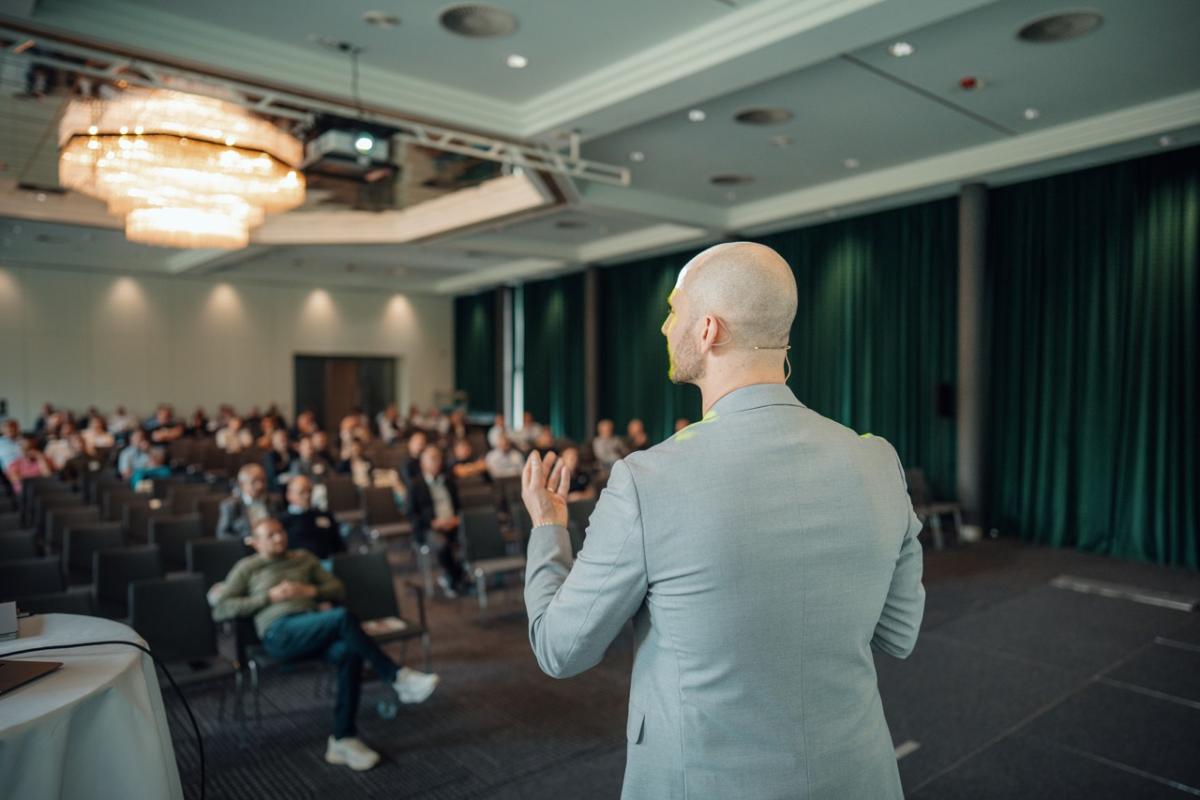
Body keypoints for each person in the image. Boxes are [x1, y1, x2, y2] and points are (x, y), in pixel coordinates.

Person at [521, 242, 925, 800]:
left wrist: (548, 526)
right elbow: (899, 635)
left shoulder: (648, 479)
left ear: (708, 330)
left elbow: (560, 651)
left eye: (674, 311)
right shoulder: (878, 459)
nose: (666, 326)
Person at [212, 517, 439, 771]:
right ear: (255, 542)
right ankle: (396, 676)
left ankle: (343, 739)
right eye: (271, 535)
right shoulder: (248, 567)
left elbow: (337, 588)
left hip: (313, 626)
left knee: (349, 653)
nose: (279, 538)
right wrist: (268, 597)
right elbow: (221, 608)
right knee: (342, 618)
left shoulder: (303, 558)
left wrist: (310, 592)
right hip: (280, 633)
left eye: (281, 532)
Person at [405, 445, 465, 597]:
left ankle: (458, 575)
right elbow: (411, 514)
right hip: (430, 528)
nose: (437, 462)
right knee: (442, 545)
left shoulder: (448, 481)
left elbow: (458, 505)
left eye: (438, 458)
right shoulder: (415, 485)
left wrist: (456, 519)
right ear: (423, 463)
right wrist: (433, 523)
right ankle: (454, 578)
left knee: (471, 539)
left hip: (453, 524)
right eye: (432, 459)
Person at [281, 475, 344, 560]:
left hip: (327, 562)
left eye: (309, 491)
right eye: (302, 492)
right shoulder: (281, 521)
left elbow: (339, 545)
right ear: (289, 495)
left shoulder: (325, 515)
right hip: (298, 565)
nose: (307, 496)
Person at [217, 463, 281, 540]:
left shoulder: (275, 501)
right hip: (244, 548)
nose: (260, 485)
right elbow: (222, 534)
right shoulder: (230, 505)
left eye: (263, 480)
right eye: (254, 482)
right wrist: (246, 541)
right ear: (242, 484)